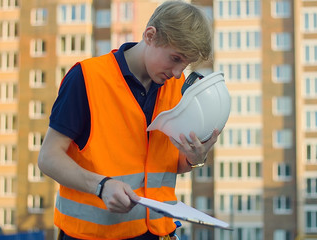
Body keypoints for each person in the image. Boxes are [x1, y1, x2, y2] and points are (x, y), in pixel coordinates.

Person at [38, 1, 219, 239]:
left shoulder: (176, 89)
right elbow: (48, 158)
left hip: (158, 234)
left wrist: (194, 159)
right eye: (175, 58)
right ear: (150, 35)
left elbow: (167, 165)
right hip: (90, 236)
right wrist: (101, 186)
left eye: (185, 64)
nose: (177, 72)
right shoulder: (87, 78)